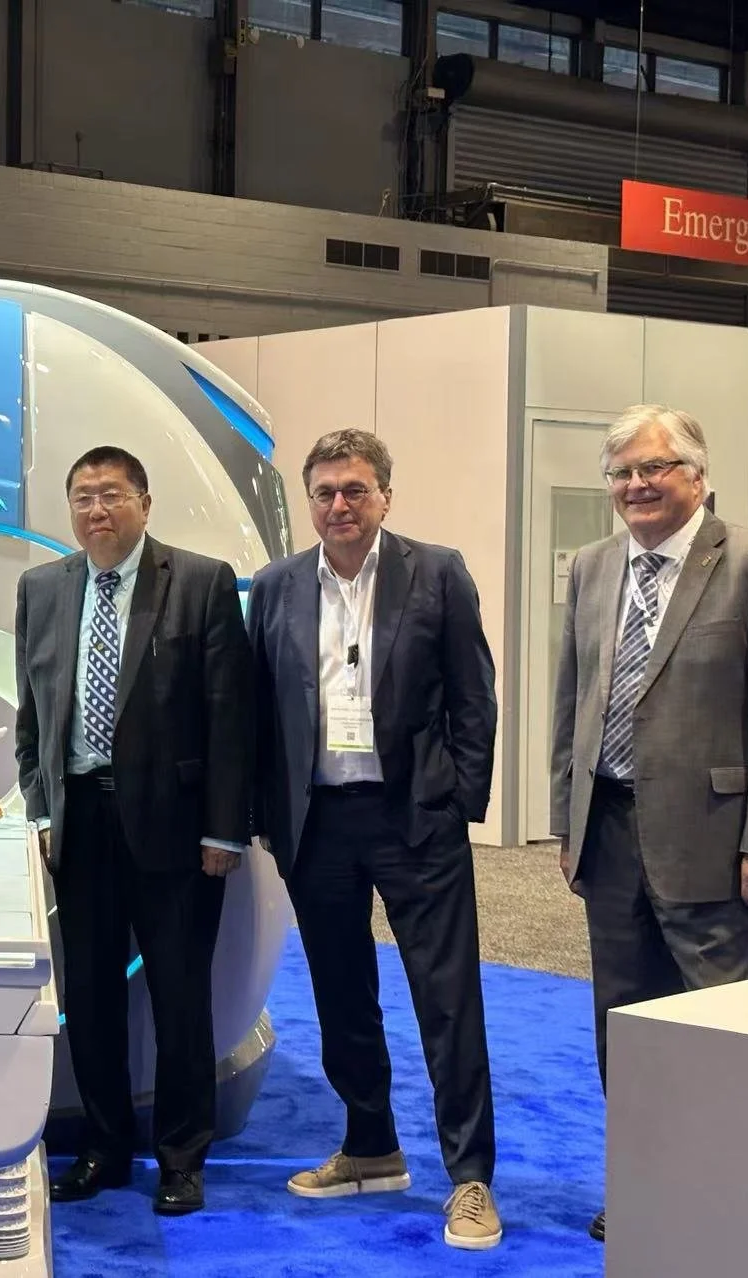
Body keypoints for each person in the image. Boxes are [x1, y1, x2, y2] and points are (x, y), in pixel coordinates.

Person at [550, 404, 748, 1243]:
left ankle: (729, 1199)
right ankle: (645, 1183)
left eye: (655, 467)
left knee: (721, 1025)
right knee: (624, 1027)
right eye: (622, 471)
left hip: (717, 841)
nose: (636, 484)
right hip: (608, 834)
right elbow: (572, 701)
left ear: (697, 476)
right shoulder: (594, 566)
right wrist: (566, 822)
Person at [247, 429, 502, 1251]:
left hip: (414, 817)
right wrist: (264, 811)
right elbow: (257, 710)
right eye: (324, 492)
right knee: (340, 992)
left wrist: (457, 801)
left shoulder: (438, 572)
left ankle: (470, 1177)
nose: (339, 506)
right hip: (317, 821)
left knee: (447, 998)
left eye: (355, 489)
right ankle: (370, 1146)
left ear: (386, 496)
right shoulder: (278, 586)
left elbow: (474, 697)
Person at [15, 445, 252, 1217]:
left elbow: (229, 718)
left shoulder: (200, 582)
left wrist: (224, 830)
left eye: (112, 495)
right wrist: (43, 811)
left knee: (181, 998)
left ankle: (181, 1158)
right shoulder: (42, 589)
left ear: (144, 504)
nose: (97, 510)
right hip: (80, 822)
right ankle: (105, 1149)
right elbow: (33, 720)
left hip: (177, 830)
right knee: (89, 1000)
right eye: (83, 497)